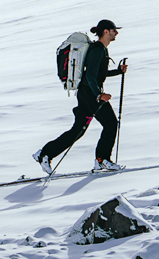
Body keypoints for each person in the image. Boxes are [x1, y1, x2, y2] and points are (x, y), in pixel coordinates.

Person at [34, 20, 129, 173]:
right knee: (110, 123)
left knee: (78, 130)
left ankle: (45, 154)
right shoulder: (98, 50)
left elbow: (98, 74)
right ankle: (102, 160)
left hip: (86, 94)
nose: (116, 33)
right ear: (105, 31)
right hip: (90, 95)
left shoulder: (100, 49)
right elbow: (90, 75)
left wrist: (118, 71)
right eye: (113, 30)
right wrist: (99, 95)